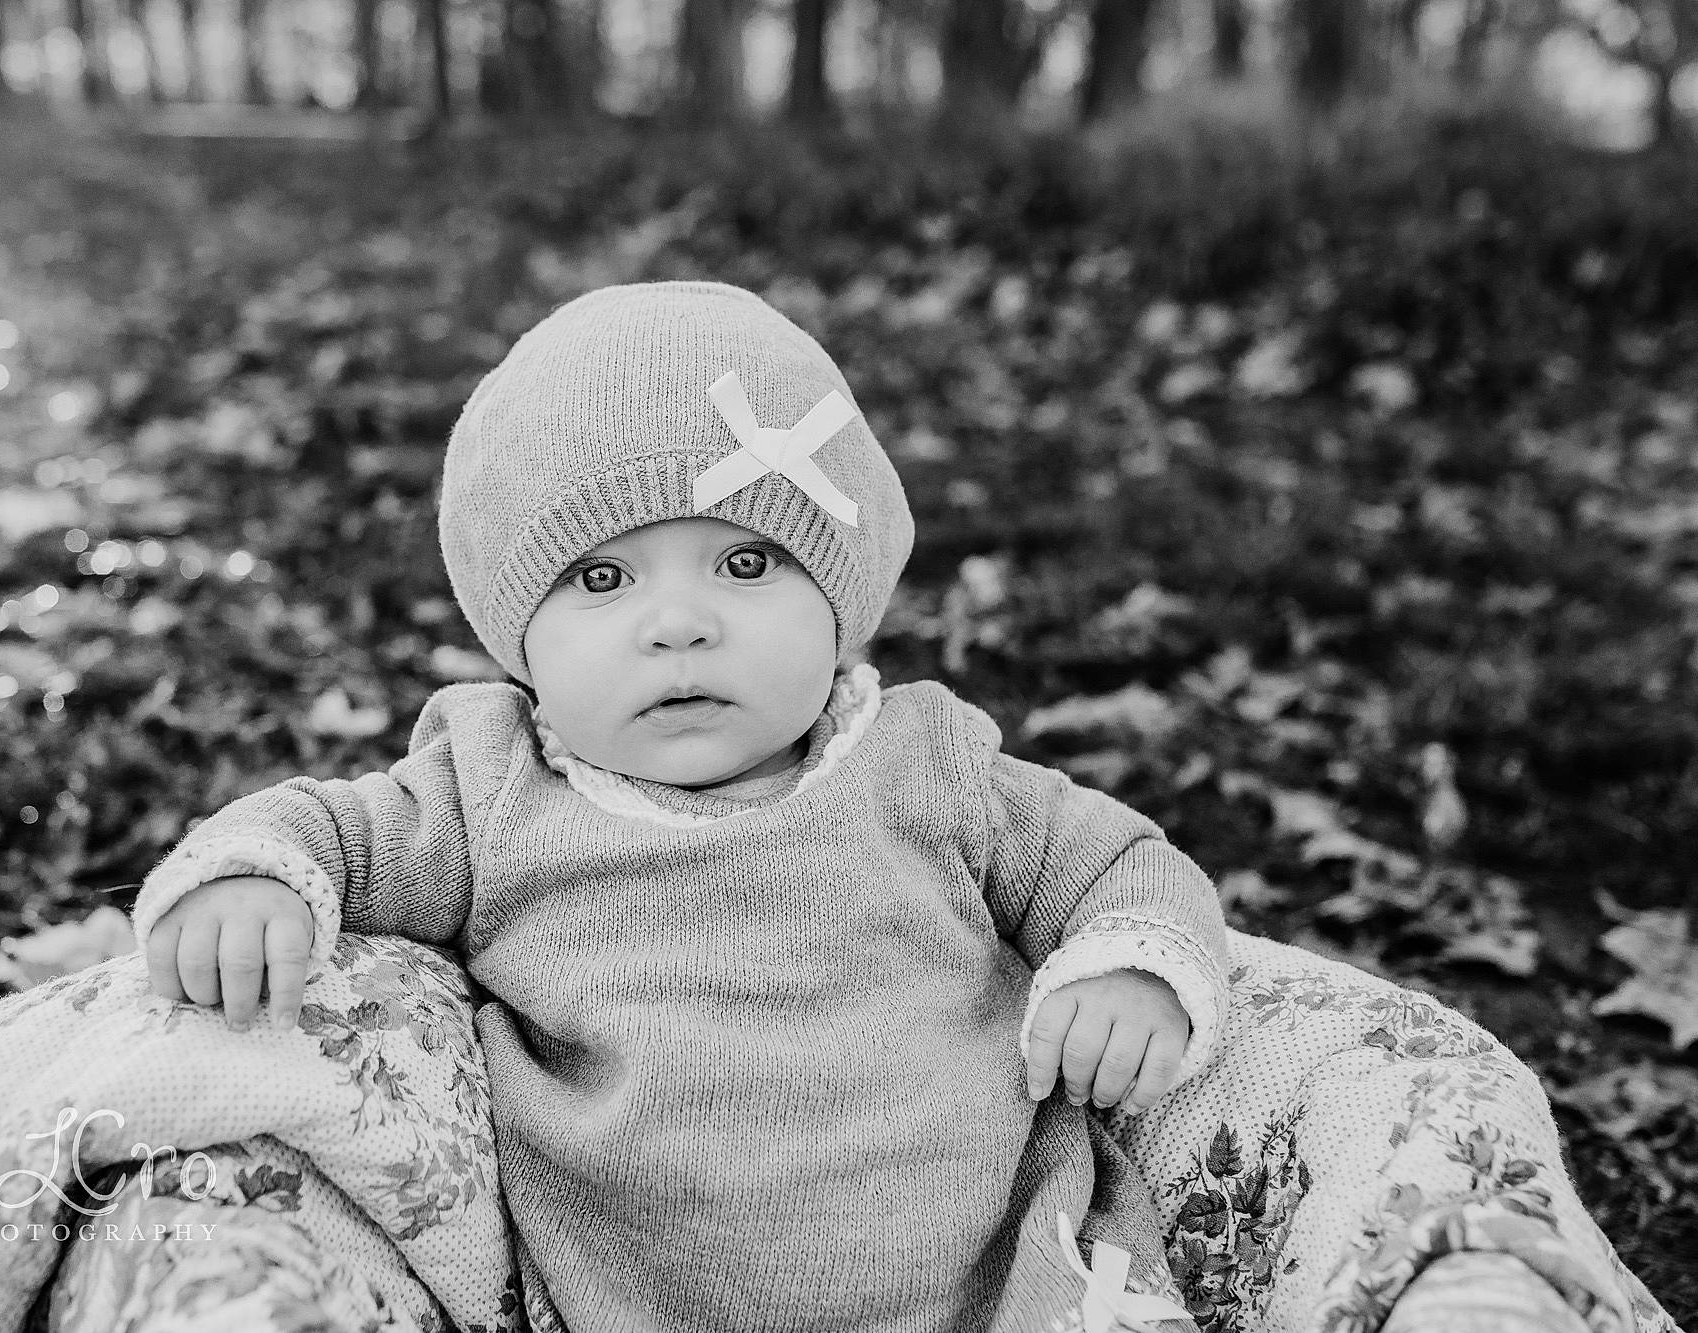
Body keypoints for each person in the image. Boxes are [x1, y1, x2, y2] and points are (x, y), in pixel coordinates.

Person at [130, 280, 1231, 1333]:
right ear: (520, 638)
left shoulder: (926, 763)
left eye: (745, 560)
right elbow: (325, 829)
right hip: (643, 1297)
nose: (679, 623)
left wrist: (1130, 967)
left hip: (1011, 1276)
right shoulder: (491, 788)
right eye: (601, 580)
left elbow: (1118, 863)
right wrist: (244, 877)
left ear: (839, 601)